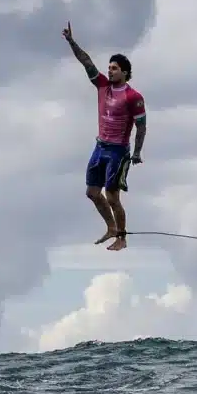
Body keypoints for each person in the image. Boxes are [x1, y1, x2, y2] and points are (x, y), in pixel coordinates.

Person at [62, 21, 146, 251]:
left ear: (126, 73)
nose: (110, 71)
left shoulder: (133, 96)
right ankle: (110, 228)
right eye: (109, 67)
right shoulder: (102, 86)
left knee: (112, 196)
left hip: (118, 151)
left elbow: (142, 126)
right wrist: (71, 42)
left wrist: (137, 152)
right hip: (100, 147)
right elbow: (86, 62)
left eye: (115, 68)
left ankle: (122, 237)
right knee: (92, 192)